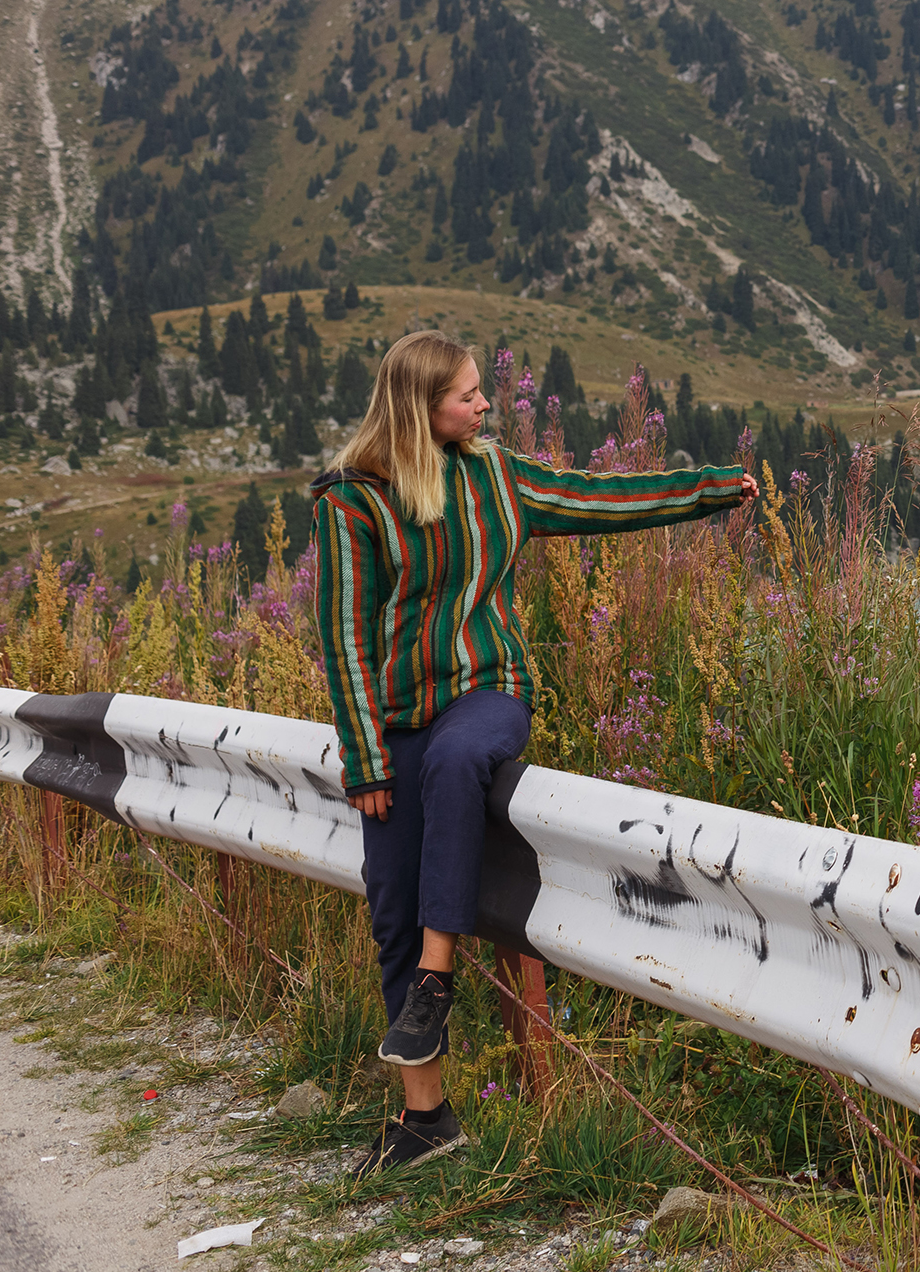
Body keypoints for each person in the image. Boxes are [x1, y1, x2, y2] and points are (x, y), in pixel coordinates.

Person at [311, 331, 756, 1175]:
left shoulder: (497, 475)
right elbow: (342, 639)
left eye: (482, 393)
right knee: (389, 906)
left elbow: (604, 500)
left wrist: (711, 490)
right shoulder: (351, 504)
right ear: (419, 406)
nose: (486, 407)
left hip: (487, 696)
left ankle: (436, 985)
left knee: (454, 765)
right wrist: (366, 757)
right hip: (398, 720)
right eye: (468, 397)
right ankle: (426, 1121)